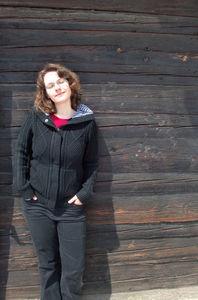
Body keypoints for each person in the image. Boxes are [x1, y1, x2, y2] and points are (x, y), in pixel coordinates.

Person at [13, 63, 98, 300]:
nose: (57, 87)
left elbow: (92, 164)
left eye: (60, 81)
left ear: (70, 83)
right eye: (51, 85)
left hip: (71, 209)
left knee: (73, 270)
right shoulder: (36, 117)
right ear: (46, 93)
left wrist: (84, 194)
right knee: (47, 265)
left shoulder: (87, 122)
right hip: (38, 205)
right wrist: (23, 187)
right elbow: (21, 150)